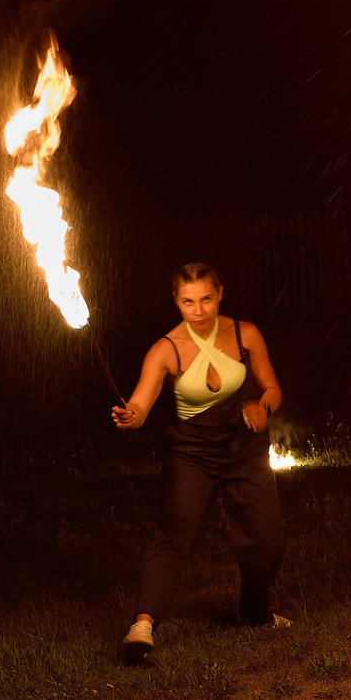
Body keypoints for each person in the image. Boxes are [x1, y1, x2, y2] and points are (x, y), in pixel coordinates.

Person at [110, 263, 288, 663]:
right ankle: (142, 624)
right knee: (173, 534)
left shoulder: (246, 333)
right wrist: (132, 416)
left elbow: (272, 388)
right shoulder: (166, 348)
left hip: (245, 447)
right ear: (176, 301)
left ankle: (255, 614)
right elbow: (141, 402)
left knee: (267, 537)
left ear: (220, 293)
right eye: (188, 301)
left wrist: (263, 407)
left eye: (206, 299)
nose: (199, 310)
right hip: (192, 452)